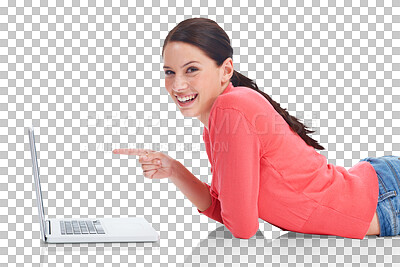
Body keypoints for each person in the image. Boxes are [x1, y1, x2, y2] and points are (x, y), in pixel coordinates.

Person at [113, 17, 400, 239]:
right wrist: (174, 170)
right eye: (169, 72)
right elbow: (223, 210)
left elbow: (243, 228)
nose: (177, 85)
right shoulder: (218, 120)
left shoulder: (232, 109)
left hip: (385, 197)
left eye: (191, 70)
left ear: (225, 70)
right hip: (379, 189)